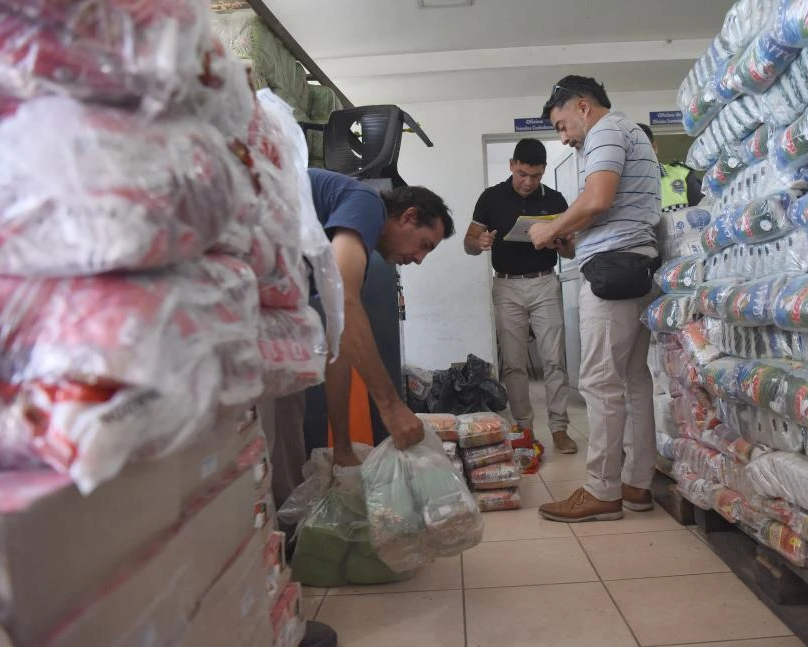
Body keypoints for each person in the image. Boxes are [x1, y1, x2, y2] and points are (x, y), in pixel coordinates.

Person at [260, 169, 455, 647]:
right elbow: (345, 304)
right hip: (243, 300)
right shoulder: (364, 203)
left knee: (284, 437)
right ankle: (256, 593)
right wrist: (391, 408)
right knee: (259, 455)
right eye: (424, 243)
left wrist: (344, 444)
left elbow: (336, 340)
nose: (418, 259)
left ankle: (282, 570)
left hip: (267, 315)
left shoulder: (352, 243)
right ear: (407, 216)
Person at [529, 75, 661, 523]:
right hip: (635, 265)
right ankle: (636, 483)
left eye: (563, 125)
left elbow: (599, 198)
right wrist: (573, 238)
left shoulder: (605, 130)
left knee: (599, 382)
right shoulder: (626, 133)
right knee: (633, 380)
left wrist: (552, 229)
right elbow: (612, 207)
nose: (563, 138)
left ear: (582, 106)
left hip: (612, 273)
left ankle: (601, 490)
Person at [464, 138, 578, 454]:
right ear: (512, 165)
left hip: (544, 283)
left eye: (536, 176)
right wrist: (481, 241)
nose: (528, 182)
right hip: (506, 286)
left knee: (555, 359)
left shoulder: (555, 199)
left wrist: (559, 243)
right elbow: (468, 242)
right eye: (523, 174)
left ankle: (559, 429)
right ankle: (523, 429)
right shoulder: (491, 198)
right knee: (513, 363)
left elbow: (571, 251)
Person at [637, 123, 704, 211]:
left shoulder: (682, 174)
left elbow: (707, 210)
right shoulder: (618, 188)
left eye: (641, 148)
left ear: (654, 147)